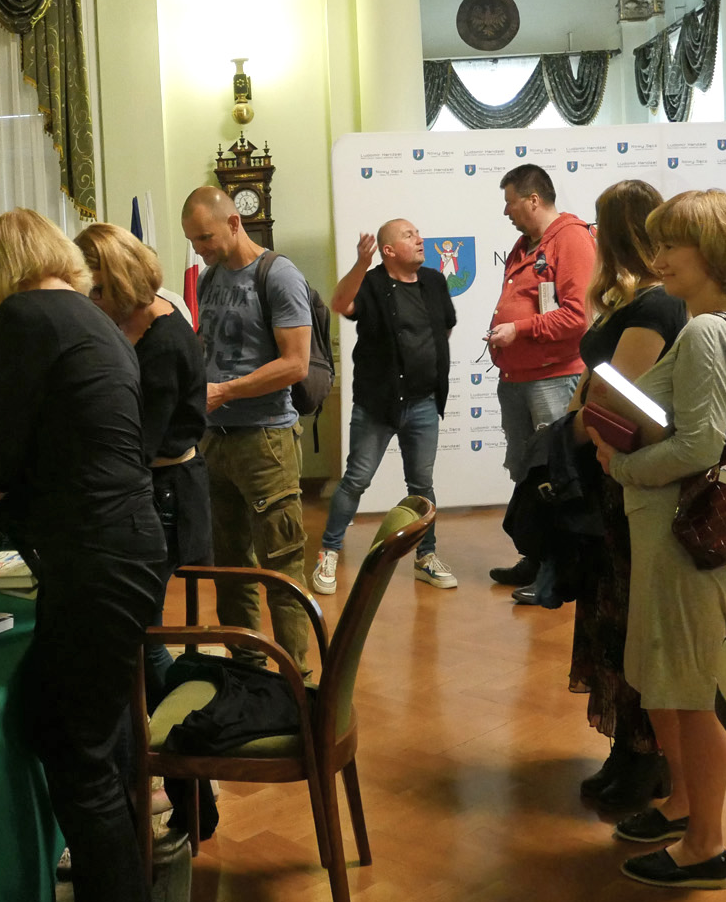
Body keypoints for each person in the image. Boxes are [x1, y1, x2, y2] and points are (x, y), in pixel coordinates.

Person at [0, 209, 169, 902]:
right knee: (86, 744)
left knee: (79, 764)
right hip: (126, 548)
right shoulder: (93, 317)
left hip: (97, 557)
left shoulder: (26, 314)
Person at [588, 188, 726, 890]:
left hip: (680, 534)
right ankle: (684, 806)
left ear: (714, 250)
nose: (659, 257)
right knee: (668, 678)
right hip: (672, 532)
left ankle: (706, 846)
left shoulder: (703, 333)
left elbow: (698, 446)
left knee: (693, 691)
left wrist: (622, 466)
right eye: (658, 243)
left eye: (673, 245)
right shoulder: (719, 326)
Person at [564, 180, 686, 811]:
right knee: (614, 619)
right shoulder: (633, 301)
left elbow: (617, 396)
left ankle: (645, 755)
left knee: (631, 624)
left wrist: (572, 425)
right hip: (611, 474)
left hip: (628, 475)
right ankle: (627, 750)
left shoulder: (654, 306)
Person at [180, 186, 315, 678]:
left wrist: (225, 391)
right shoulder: (209, 278)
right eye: (193, 240)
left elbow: (296, 364)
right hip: (214, 441)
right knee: (230, 566)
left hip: (265, 442)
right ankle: (248, 676)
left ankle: (297, 684)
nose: (199, 248)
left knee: (282, 568)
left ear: (235, 222)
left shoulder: (279, 275)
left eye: (205, 237)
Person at [76, 221, 213, 697]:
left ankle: (182, 725)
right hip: (152, 488)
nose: (91, 302)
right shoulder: (133, 324)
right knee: (135, 629)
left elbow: (139, 444)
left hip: (166, 496)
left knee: (142, 635)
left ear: (120, 283)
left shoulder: (164, 341)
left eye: (97, 291)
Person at [309, 219, 459, 594]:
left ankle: (425, 557)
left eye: (417, 233)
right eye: (410, 236)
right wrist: (361, 263)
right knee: (356, 480)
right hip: (377, 404)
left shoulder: (434, 281)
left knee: (422, 485)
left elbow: (445, 326)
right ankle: (329, 551)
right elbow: (340, 304)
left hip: (424, 403)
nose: (420, 239)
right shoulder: (372, 282)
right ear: (388, 250)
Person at [484, 163, 597, 607]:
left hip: (554, 378)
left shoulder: (571, 239)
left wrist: (519, 330)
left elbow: (578, 316)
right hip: (517, 379)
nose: (506, 211)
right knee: (529, 475)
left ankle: (555, 573)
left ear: (533, 200)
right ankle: (534, 557)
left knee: (556, 477)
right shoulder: (524, 244)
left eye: (510, 202)